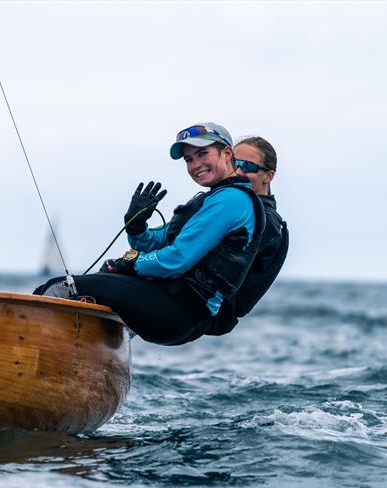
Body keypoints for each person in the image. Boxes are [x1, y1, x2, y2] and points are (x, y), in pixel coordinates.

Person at [34, 122, 265, 346]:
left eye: (203, 154)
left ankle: (21, 357)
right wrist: (136, 225)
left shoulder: (232, 200)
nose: (195, 165)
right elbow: (154, 243)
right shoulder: (210, 199)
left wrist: (131, 263)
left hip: (179, 309)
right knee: (92, 293)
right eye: (189, 159)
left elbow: (176, 260)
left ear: (226, 153)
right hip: (172, 304)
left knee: (59, 289)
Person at [208, 136, 289, 335]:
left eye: (248, 166)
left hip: (213, 313)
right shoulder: (237, 206)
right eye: (235, 163)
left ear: (268, 176)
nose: (239, 171)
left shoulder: (266, 221)